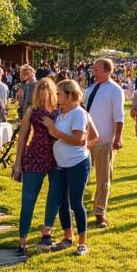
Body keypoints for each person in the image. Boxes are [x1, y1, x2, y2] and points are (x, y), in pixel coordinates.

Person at [42, 79, 96, 256]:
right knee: (61, 202)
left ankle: (82, 243)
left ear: (70, 95)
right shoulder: (61, 113)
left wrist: (55, 131)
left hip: (77, 164)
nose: (56, 96)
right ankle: (67, 237)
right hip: (61, 165)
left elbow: (78, 140)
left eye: (59, 94)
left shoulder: (78, 114)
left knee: (76, 202)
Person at [12, 78, 65, 257]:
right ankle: (22, 241)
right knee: (28, 199)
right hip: (35, 156)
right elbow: (23, 137)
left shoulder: (60, 110)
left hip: (57, 157)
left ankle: (47, 232)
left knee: (54, 197)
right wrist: (18, 162)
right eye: (40, 89)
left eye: (46, 89)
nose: (43, 93)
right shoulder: (32, 110)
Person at [83, 58, 125, 228]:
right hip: (86, 141)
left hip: (105, 141)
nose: (94, 73)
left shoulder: (115, 90)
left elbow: (119, 117)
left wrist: (117, 138)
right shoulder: (91, 89)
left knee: (103, 178)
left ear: (108, 71)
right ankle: (76, 208)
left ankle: (100, 212)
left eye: (97, 70)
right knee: (81, 176)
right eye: (94, 70)